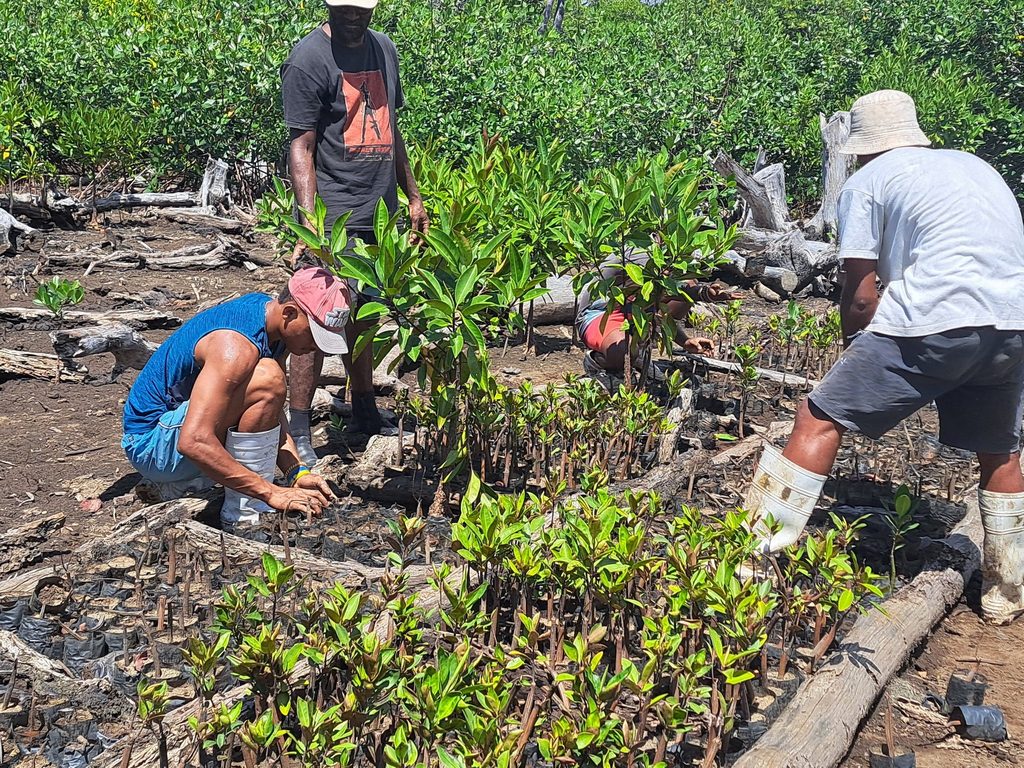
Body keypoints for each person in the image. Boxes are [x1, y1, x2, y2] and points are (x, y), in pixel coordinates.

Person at [741, 90, 1024, 625]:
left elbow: (861, 293)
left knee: (817, 418)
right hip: (1013, 323)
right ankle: (1005, 592)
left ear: (862, 147)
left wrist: (853, 342)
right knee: (1001, 452)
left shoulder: (868, 181)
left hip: (936, 316)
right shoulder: (974, 166)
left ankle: (750, 564)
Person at [281, 0, 429, 462]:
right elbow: (302, 146)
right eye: (344, 8)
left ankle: (363, 406)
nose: (352, 16)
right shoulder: (308, 59)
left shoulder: (384, 50)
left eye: (361, 10)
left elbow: (392, 129)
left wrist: (413, 195)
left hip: (378, 213)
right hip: (334, 217)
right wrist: (310, 223)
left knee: (364, 317)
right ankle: (300, 429)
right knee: (316, 322)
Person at [121, 268, 348, 534]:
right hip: (151, 447)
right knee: (268, 378)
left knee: (269, 381)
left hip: (176, 434)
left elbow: (270, 411)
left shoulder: (270, 319)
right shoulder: (235, 347)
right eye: (315, 334)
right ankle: (242, 514)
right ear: (289, 313)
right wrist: (270, 492)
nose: (318, 348)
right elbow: (193, 440)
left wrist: (296, 472)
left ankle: (197, 483)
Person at [575, 253, 740, 382]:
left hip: (634, 309)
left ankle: (638, 351)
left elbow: (661, 304)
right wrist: (704, 294)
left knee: (689, 281)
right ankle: (598, 360)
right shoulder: (641, 251)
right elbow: (661, 288)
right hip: (599, 313)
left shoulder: (670, 257)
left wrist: (685, 341)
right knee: (623, 353)